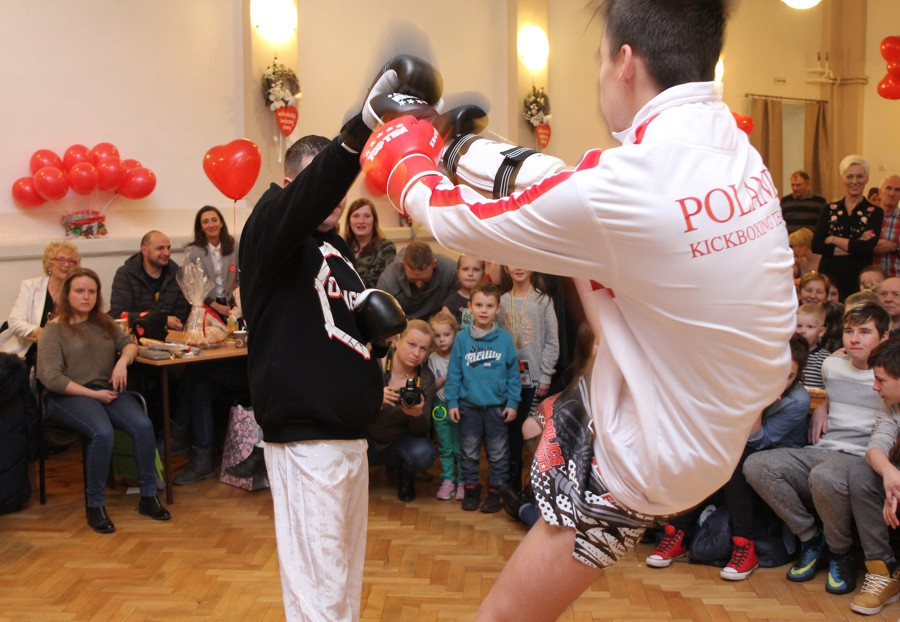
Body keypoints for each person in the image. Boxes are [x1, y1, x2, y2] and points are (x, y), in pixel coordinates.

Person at [359, 1, 796, 617]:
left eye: (597, 60)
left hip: (653, 457)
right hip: (715, 420)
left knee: (502, 616)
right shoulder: (732, 147)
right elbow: (568, 185)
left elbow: (459, 219)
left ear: (624, 62)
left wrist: (404, 156)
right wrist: (459, 148)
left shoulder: (628, 190)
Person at [238, 54, 443, 621]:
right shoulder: (269, 232)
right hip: (306, 444)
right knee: (318, 589)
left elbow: (342, 337)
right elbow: (305, 198)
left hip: (350, 439)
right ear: (293, 184)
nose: (332, 201)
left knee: (341, 585)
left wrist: (381, 338)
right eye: (321, 188)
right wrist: (364, 126)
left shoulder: (338, 255)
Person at [744, 302, 890, 595]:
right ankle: (811, 538)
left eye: (865, 332)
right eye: (849, 331)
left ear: (884, 337)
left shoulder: (889, 373)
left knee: (825, 476)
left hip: (862, 458)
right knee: (757, 465)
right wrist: (825, 405)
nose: (855, 339)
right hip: (824, 449)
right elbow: (833, 394)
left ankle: (841, 552)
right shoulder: (831, 365)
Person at [646, 335, 810, 580]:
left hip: (776, 458)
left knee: (734, 459)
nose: (783, 381)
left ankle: (744, 547)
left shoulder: (797, 400)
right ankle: (677, 533)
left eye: (790, 376)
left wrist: (757, 404)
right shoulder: (745, 380)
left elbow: (760, 440)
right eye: (780, 372)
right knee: (710, 453)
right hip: (739, 447)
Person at [36, 267, 170, 533]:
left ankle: (148, 495)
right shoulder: (53, 330)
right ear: (67, 294)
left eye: (91, 292)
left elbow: (131, 344)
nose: (86, 297)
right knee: (102, 432)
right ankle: (95, 506)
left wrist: (123, 361)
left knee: (143, 426)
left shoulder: (104, 322)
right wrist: (92, 394)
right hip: (68, 395)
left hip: (106, 391)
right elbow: (51, 378)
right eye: (80, 291)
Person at [445, 281, 521, 514]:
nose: (484, 310)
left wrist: (512, 402)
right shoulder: (462, 339)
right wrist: (452, 401)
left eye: (489, 305)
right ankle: (471, 489)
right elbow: (454, 372)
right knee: (469, 452)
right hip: (468, 407)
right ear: (470, 307)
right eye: (479, 305)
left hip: (497, 408)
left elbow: (513, 374)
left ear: (498, 309)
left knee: (498, 454)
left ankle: (496, 492)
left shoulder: (505, 340)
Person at [847, 339, 900, 615]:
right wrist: (890, 474)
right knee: (861, 474)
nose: (874, 387)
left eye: (880, 380)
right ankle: (883, 572)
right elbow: (875, 448)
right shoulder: (892, 405)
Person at [498, 265, 559, 490]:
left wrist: (546, 374)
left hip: (534, 378)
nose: (518, 267)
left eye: (523, 261)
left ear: (533, 266)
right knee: (510, 429)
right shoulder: (501, 301)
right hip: (507, 379)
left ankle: (537, 482)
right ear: (506, 268)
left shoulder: (543, 302)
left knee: (531, 429)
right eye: (512, 262)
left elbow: (552, 341)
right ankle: (511, 475)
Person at [369, 319, 437, 502]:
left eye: (423, 349)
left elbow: (422, 431)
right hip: (366, 439)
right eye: (412, 344)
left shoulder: (426, 379)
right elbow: (348, 403)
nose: (416, 353)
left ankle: (406, 475)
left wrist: (415, 415)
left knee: (424, 453)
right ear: (397, 340)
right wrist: (374, 397)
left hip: (397, 442)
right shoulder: (374, 363)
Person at [812, 155, 882, 301]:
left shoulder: (875, 212)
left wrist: (833, 239)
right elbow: (817, 245)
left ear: (867, 178)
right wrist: (855, 244)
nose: (854, 181)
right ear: (842, 178)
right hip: (829, 278)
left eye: (859, 176)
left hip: (858, 279)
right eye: (849, 176)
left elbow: (866, 248)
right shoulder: (829, 209)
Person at [0, 240, 81, 361]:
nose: (66, 264)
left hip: (61, 354)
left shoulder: (78, 291)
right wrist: (40, 333)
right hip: (25, 352)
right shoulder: (30, 286)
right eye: (60, 259)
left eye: (71, 261)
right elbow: (15, 321)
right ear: (49, 264)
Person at [109, 230, 190, 331]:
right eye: (160, 248)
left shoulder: (179, 275)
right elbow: (118, 316)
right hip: (134, 339)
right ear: (144, 250)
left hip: (172, 339)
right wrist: (162, 320)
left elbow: (182, 318)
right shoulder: (125, 275)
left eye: (168, 248)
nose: (167, 253)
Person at [427, 311, 463, 500]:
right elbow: (429, 386)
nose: (442, 340)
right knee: (446, 447)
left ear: (455, 334)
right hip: (440, 406)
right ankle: (448, 480)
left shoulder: (460, 355)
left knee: (461, 446)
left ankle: (463, 480)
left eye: (446, 335)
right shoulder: (432, 359)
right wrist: (443, 379)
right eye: (437, 336)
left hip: (459, 405)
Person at [376, 240, 458, 319]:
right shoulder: (387, 281)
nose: (419, 285)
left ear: (434, 264)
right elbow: (383, 320)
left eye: (424, 279)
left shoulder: (451, 272)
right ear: (403, 265)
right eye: (413, 279)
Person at [183, 205, 238, 322]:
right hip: (206, 308)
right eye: (205, 222)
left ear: (221, 223)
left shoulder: (234, 247)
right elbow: (192, 286)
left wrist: (236, 305)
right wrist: (215, 306)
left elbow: (240, 278)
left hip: (233, 307)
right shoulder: (192, 252)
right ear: (201, 227)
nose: (211, 225)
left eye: (214, 220)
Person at [342, 197, 397, 288]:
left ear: (374, 221)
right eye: (356, 216)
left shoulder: (386, 248)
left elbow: (376, 283)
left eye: (367, 216)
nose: (361, 221)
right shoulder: (341, 248)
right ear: (349, 221)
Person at [440, 254, 486, 330]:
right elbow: (446, 333)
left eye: (476, 269)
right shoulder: (450, 304)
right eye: (465, 269)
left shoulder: (489, 299)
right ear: (458, 274)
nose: (470, 274)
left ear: (483, 275)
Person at [796, 302, 829, 389]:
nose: (803, 331)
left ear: (821, 332)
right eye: (799, 326)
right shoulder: (788, 353)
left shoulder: (825, 358)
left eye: (810, 327)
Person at [872, 175, 900, 277]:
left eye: (897, 190)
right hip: (868, 283)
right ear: (880, 192)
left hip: (896, 282)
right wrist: (868, 246)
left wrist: (895, 247)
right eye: (888, 188)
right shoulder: (867, 217)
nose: (892, 193)